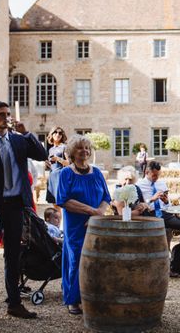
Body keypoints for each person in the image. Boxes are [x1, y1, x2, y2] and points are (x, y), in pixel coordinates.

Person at [0, 101, 47, 327]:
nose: (5, 118)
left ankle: (14, 303)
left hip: (15, 205)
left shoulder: (18, 140)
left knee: (14, 256)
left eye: (7, 114)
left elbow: (42, 155)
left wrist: (26, 133)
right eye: (1, 115)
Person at [56, 134, 111, 315]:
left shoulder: (96, 173)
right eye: (80, 148)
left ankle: (94, 296)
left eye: (87, 148)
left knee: (97, 260)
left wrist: (98, 214)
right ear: (72, 151)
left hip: (95, 224)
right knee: (77, 259)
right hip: (76, 226)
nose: (84, 151)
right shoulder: (66, 173)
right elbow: (63, 200)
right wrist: (91, 211)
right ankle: (73, 300)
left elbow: (106, 198)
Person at [136, 161, 180, 274]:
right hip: (150, 215)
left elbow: (167, 206)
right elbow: (139, 206)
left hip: (164, 214)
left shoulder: (161, 184)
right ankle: (175, 261)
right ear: (147, 172)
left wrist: (166, 201)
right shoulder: (139, 185)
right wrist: (152, 199)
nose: (156, 178)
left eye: (158, 175)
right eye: (154, 175)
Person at [45, 126, 68, 204]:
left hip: (60, 177)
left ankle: (63, 217)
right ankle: (58, 217)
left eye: (60, 133)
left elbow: (69, 163)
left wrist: (58, 159)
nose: (58, 134)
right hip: (51, 177)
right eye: (55, 132)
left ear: (62, 136)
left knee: (61, 203)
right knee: (53, 203)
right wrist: (47, 163)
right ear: (52, 134)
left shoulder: (64, 147)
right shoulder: (51, 149)